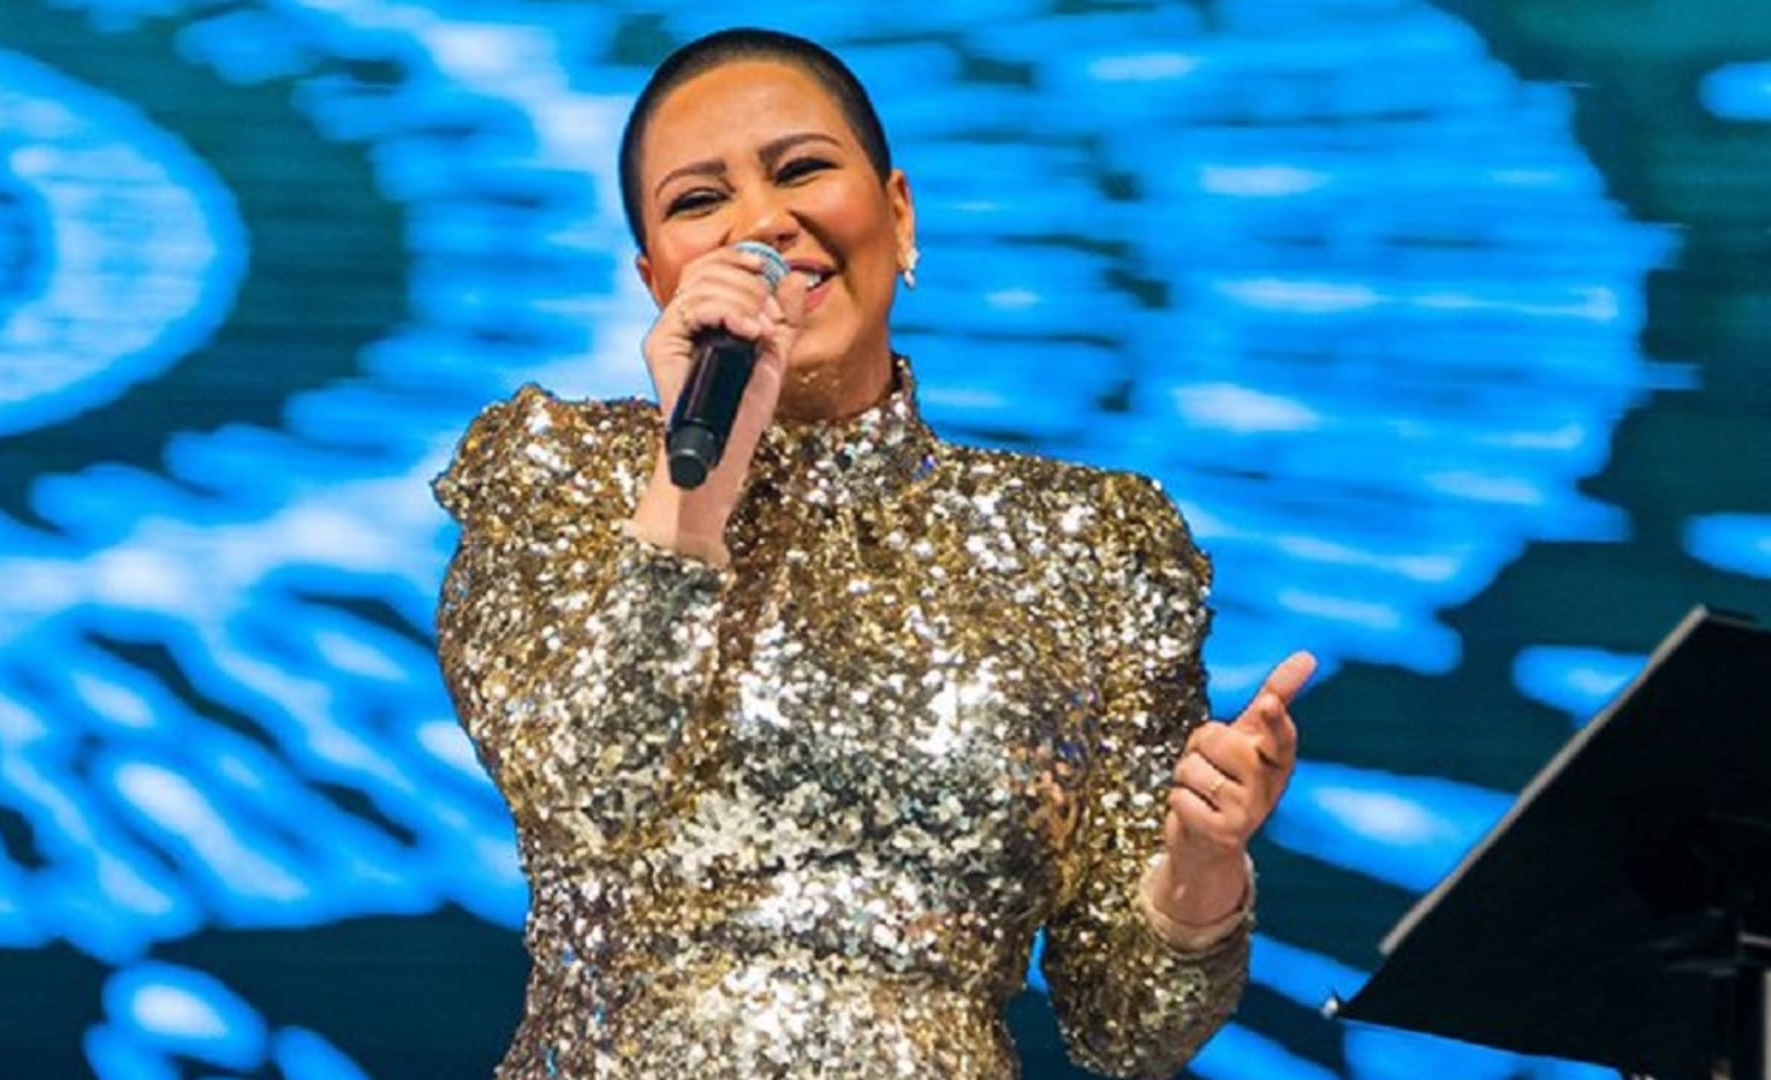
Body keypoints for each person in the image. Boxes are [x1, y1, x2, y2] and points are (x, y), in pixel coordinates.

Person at [434, 27, 1314, 1080]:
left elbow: (1130, 1028)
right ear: (654, 274)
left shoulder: (1090, 544)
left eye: (802, 170)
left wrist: (1201, 866)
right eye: (700, 200)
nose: (763, 224)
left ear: (898, 215)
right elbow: (584, 798)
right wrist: (695, 480)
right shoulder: (555, 477)